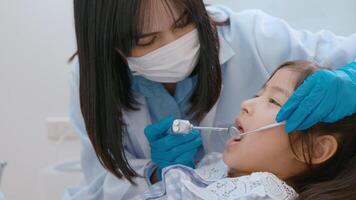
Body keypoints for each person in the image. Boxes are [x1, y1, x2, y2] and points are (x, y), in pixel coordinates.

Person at [64, 0, 356, 199]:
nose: (246, 103)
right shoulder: (91, 79)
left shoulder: (256, 38)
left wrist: (351, 79)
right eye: (146, 41)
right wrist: (155, 177)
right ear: (109, 45)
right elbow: (98, 187)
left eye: (185, 21)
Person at [133, 61, 356, 200]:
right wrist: (178, 177)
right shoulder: (214, 166)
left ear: (318, 150)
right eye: (258, 94)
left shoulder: (261, 194)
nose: (246, 103)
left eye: (274, 101)